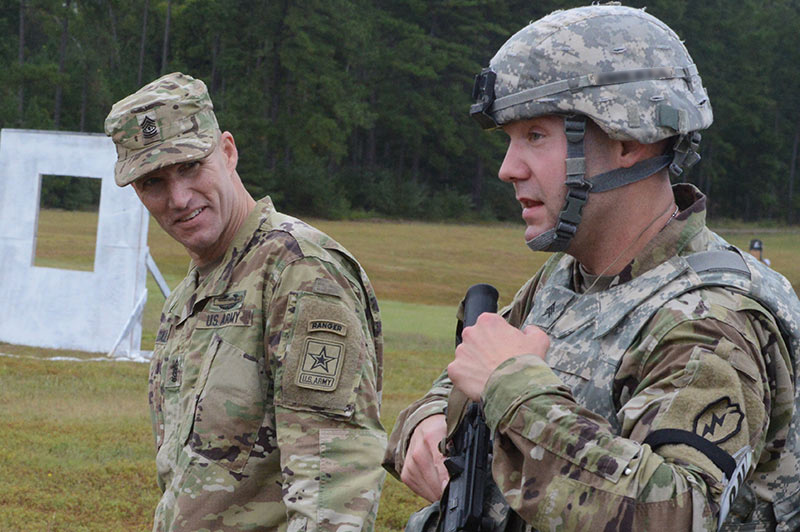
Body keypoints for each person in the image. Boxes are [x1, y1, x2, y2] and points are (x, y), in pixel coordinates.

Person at [383, 4, 799, 531]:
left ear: (629, 139)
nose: (508, 169)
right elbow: (466, 375)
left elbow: (676, 515)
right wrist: (423, 425)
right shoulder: (569, 279)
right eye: (510, 140)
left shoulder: (711, 319)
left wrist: (514, 391)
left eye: (536, 135)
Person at [105, 72, 386, 532]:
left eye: (191, 167)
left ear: (229, 152)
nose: (179, 198)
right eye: (153, 182)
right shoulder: (188, 296)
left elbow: (335, 481)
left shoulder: (298, 271)